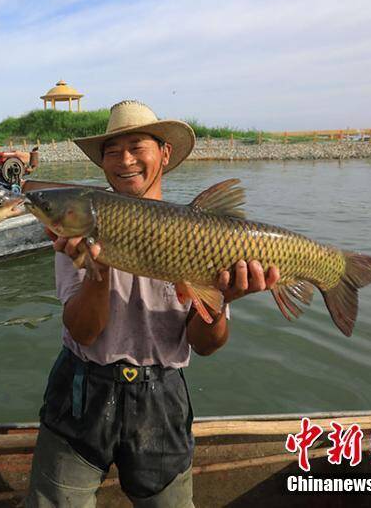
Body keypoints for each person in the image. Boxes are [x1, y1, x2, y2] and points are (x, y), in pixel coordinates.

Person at [25, 100, 280, 507]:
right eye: (112, 151)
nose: (125, 160)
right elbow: (84, 332)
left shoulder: (199, 233)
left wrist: (221, 300)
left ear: (164, 153)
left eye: (136, 147)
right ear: (102, 163)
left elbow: (206, 344)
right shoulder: (78, 226)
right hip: (80, 390)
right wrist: (97, 271)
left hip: (162, 397)